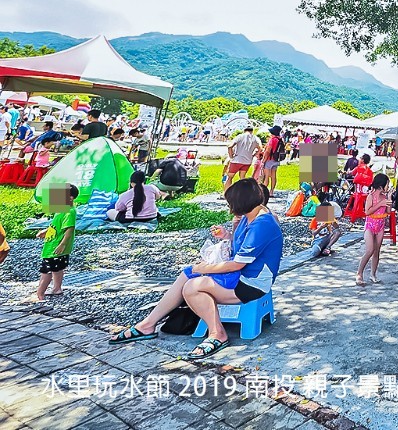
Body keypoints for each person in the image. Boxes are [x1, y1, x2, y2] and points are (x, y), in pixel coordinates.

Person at [109, 179, 283, 359]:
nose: (230, 208)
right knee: (189, 272)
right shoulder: (252, 215)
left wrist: (206, 268)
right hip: (240, 275)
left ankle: (217, 334)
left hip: (250, 284)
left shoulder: (261, 225)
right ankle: (147, 324)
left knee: (192, 288)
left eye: (231, 204)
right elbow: (244, 246)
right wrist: (227, 235)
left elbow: (238, 264)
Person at [36, 183, 79, 301]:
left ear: (70, 198)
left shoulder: (69, 212)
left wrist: (62, 244)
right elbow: (56, 225)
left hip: (55, 247)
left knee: (46, 270)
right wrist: (46, 231)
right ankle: (57, 288)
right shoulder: (61, 209)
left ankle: (40, 294)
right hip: (56, 245)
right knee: (58, 268)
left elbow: (69, 229)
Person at [356, 174, 391, 286]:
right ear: (381, 185)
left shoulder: (384, 197)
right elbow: (367, 211)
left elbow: (388, 211)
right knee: (370, 250)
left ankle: (373, 274)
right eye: (387, 184)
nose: (388, 186)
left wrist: (389, 198)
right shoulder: (371, 196)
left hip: (380, 226)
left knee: (377, 251)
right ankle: (359, 273)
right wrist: (380, 204)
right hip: (370, 226)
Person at [261, 126, 283, 194]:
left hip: (269, 159)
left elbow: (268, 151)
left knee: (266, 176)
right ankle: (271, 191)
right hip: (276, 159)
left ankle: (264, 192)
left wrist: (264, 160)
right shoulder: (280, 139)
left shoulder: (272, 139)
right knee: (273, 176)